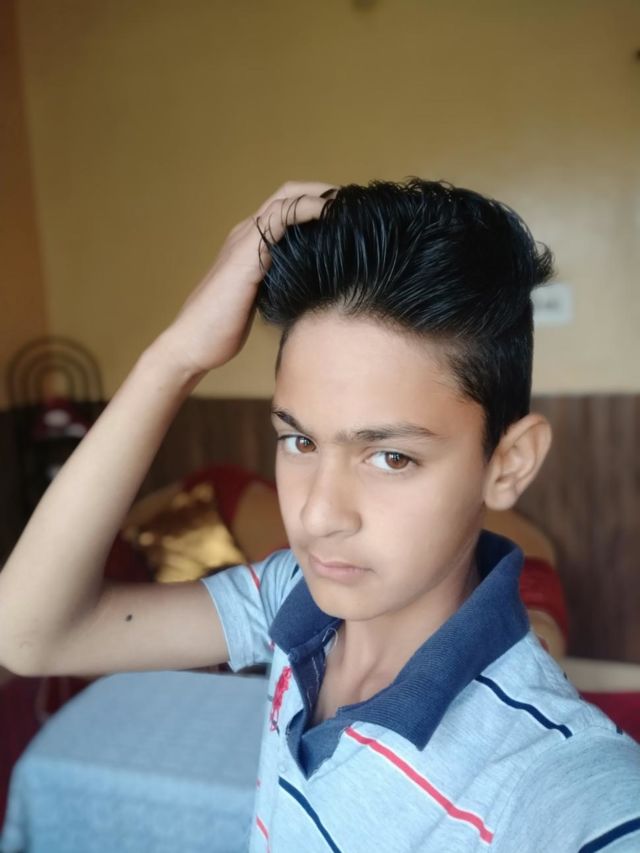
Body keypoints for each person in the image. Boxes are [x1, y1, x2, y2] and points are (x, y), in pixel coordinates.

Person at [0, 179, 638, 851]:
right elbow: (29, 635)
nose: (317, 514)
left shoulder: (557, 785)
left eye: (390, 456)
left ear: (508, 463)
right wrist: (177, 356)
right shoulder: (290, 599)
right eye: (299, 442)